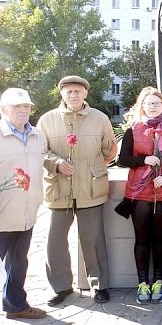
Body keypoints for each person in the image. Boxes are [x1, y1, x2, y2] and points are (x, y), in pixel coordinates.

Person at [37, 75, 117, 306]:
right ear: (61, 93)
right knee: (55, 240)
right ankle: (61, 286)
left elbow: (110, 150)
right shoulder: (47, 119)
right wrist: (56, 162)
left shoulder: (99, 118)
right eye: (68, 91)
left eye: (77, 91)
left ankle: (99, 285)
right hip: (59, 186)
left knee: (92, 238)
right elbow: (39, 151)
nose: (73, 95)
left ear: (85, 94)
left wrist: (91, 166)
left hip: (90, 187)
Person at [0, 88, 47, 323]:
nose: (23, 110)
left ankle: (16, 305)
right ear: (3, 109)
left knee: (18, 264)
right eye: (17, 107)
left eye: (26, 106)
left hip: (26, 214)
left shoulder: (38, 135)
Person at [116, 87, 162, 305]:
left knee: (161, 239)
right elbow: (122, 159)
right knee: (142, 240)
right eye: (148, 104)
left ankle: (158, 282)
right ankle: (143, 282)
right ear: (142, 106)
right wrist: (143, 160)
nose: (153, 107)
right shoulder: (134, 128)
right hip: (140, 193)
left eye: (157, 103)